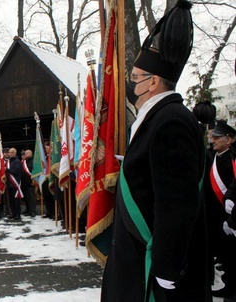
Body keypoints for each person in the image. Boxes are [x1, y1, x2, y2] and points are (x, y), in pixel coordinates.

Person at [101, 1, 211, 301]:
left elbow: (177, 202)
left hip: (152, 271)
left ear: (152, 82)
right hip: (136, 258)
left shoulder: (170, 120)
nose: (130, 83)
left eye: (135, 78)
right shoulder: (160, 116)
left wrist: (166, 268)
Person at [205, 121, 236, 299]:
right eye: (212, 137)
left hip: (228, 216)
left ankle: (232, 287)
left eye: (217, 137)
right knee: (223, 253)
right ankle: (228, 283)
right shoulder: (212, 156)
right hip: (214, 215)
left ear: (229, 139)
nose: (213, 140)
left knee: (231, 253)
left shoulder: (232, 158)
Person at [5, 147, 22, 220]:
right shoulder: (8, 161)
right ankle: (13, 213)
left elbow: (16, 171)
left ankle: (18, 214)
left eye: (12, 152)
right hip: (9, 184)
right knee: (11, 200)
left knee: (16, 200)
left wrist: (7, 170)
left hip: (15, 183)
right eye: (9, 152)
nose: (10, 154)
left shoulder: (17, 161)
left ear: (15, 153)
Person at [21, 149, 36, 217]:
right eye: (25, 153)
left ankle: (33, 211)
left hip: (31, 182)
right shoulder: (24, 162)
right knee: (26, 197)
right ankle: (28, 210)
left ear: (31, 153)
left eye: (27, 153)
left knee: (31, 197)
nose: (25, 154)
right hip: (24, 183)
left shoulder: (33, 161)